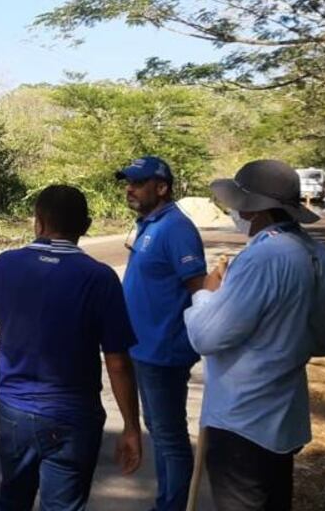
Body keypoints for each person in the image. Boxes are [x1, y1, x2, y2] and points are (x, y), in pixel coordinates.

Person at [0, 184, 142, 511]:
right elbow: (117, 362)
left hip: (15, 412)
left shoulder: (4, 265)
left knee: (11, 499)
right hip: (73, 418)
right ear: (86, 226)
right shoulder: (99, 278)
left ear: (37, 222)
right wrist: (132, 426)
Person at [186, 159, 325, 511]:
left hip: (242, 422)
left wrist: (206, 294)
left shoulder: (263, 258)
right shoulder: (320, 255)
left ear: (255, 208)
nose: (235, 213)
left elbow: (205, 337)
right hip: (283, 421)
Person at [114, 155, 206, 511]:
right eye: (128, 183)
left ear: (162, 187)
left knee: (169, 438)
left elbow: (199, 289)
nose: (130, 189)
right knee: (160, 433)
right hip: (142, 349)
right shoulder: (149, 224)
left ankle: (171, 505)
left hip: (164, 351)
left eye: (137, 183)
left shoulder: (176, 228)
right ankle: (166, 501)